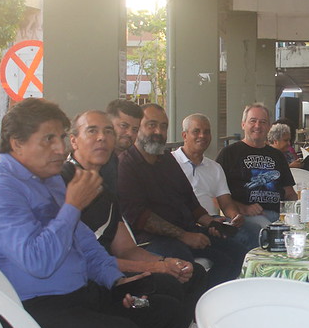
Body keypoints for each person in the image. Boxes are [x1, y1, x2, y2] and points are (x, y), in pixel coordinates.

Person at [0, 99, 214, 328]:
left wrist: (117, 281)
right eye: (49, 139)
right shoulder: (2, 188)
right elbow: (37, 262)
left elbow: (86, 244)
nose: (58, 148)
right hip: (35, 310)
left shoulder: (51, 180)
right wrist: (72, 207)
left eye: (60, 137)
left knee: (163, 309)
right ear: (17, 143)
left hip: (80, 294)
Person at [60, 110, 222, 328]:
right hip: (88, 287)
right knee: (166, 304)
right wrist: (159, 267)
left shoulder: (104, 188)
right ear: (73, 140)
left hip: (109, 275)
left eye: (109, 132)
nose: (103, 138)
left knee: (188, 276)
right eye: (93, 131)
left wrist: (166, 263)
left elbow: (127, 248)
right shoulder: (63, 183)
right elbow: (84, 258)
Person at [118, 103, 249, 288]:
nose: (158, 131)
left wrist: (209, 222)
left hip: (186, 230)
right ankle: (196, 306)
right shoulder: (126, 164)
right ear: (137, 127)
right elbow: (140, 217)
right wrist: (184, 236)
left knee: (237, 253)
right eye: (151, 124)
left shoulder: (166, 159)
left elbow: (189, 200)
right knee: (187, 264)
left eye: (163, 126)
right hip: (152, 239)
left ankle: (208, 303)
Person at [171, 113, 259, 249]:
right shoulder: (170, 163)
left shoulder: (215, 167)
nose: (202, 136)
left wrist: (235, 216)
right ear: (184, 135)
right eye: (196, 131)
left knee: (255, 232)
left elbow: (225, 202)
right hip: (185, 223)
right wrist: (207, 222)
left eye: (207, 132)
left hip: (215, 221)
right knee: (238, 247)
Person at [216, 103, 297, 227]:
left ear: (269, 127)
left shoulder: (277, 155)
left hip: (278, 215)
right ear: (243, 124)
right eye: (252, 121)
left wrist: (298, 214)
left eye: (263, 122)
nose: (258, 126)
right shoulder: (228, 153)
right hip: (246, 217)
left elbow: (289, 193)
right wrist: (244, 209)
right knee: (267, 228)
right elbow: (215, 197)